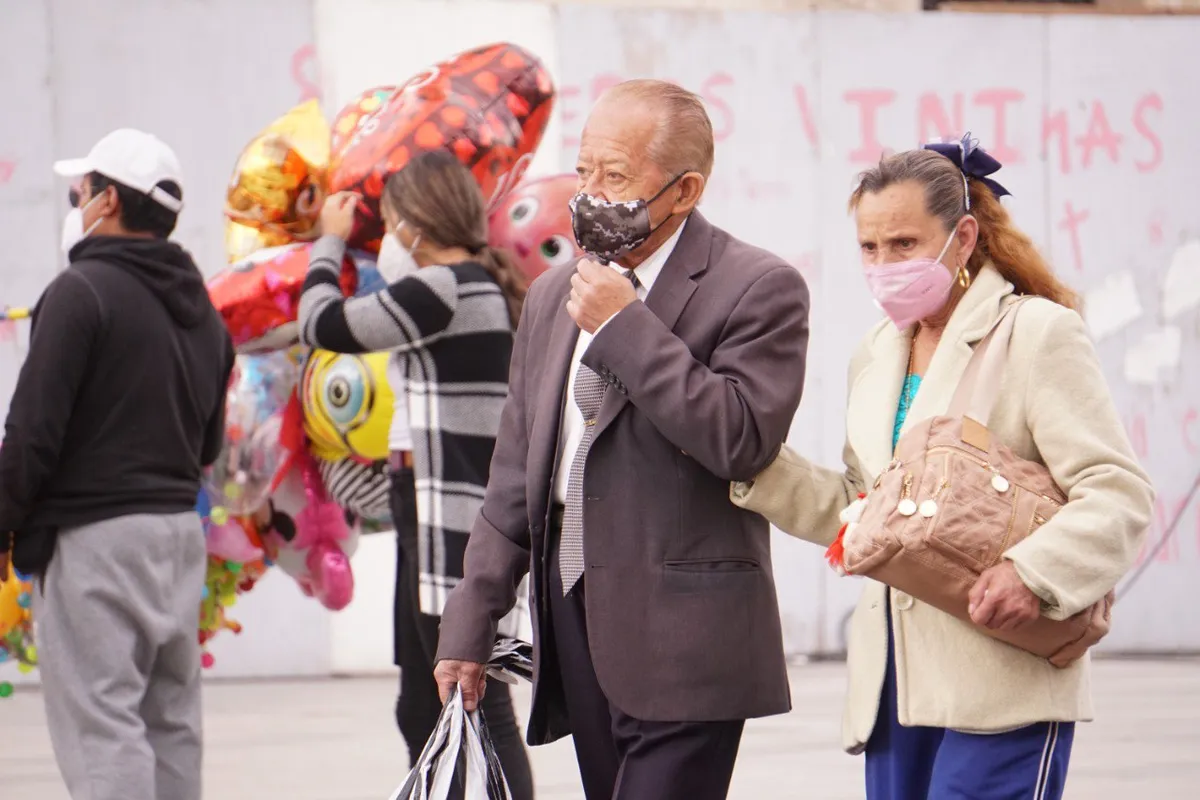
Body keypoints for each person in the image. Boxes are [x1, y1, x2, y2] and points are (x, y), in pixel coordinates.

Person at [730, 137, 1154, 800]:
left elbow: (1118, 495)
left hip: (1001, 672)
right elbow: (864, 504)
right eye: (869, 248)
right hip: (894, 688)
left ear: (962, 237)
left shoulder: (1035, 332)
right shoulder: (874, 353)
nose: (883, 264)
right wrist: (751, 465)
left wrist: (1031, 573)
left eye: (903, 244)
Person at [434, 79, 811, 800]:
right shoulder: (552, 294)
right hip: (573, 607)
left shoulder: (758, 286)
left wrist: (623, 327)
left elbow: (740, 438)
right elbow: (518, 473)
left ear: (684, 190)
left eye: (615, 176)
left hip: (688, 631)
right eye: (583, 171)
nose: (590, 194)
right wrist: (471, 617)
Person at [0, 129, 235, 800]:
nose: (75, 203)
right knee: (170, 724)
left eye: (80, 191)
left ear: (107, 203)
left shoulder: (81, 293)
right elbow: (209, 445)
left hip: (94, 543)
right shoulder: (203, 314)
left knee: (104, 727)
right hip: (174, 539)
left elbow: (32, 435)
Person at [296, 151, 535, 798]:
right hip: (431, 509)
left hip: (450, 523)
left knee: (474, 698)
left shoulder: (444, 289)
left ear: (418, 225)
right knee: (421, 698)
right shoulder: (475, 286)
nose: (391, 237)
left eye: (394, 220)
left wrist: (331, 240)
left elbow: (322, 323)